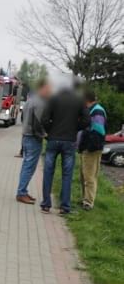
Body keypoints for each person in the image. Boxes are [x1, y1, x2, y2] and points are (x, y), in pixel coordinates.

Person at [40, 83, 90, 215]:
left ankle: (46, 205)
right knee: (67, 175)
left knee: (48, 172)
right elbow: (87, 121)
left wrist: (51, 131)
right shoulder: (79, 100)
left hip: (53, 140)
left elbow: (44, 119)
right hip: (69, 141)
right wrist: (74, 129)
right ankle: (64, 207)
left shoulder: (53, 98)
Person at [16, 79, 50, 204]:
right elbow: (38, 123)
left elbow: (23, 117)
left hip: (26, 135)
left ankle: (23, 191)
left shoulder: (29, 101)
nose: (50, 91)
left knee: (26, 165)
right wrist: (45, 135)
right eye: (48, 89)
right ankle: (21, 193)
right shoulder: (40, 103)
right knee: (29, 167)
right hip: (33, 138)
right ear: (42, 88)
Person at [78, 89, 107, 210]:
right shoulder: (91, 110)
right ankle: (85, 199)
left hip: (92, 149)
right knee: (84, 175)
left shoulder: (97, 111)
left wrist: (89, 147)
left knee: (90, 176)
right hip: (86, 148)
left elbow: (99, 131)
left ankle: (88, 202)